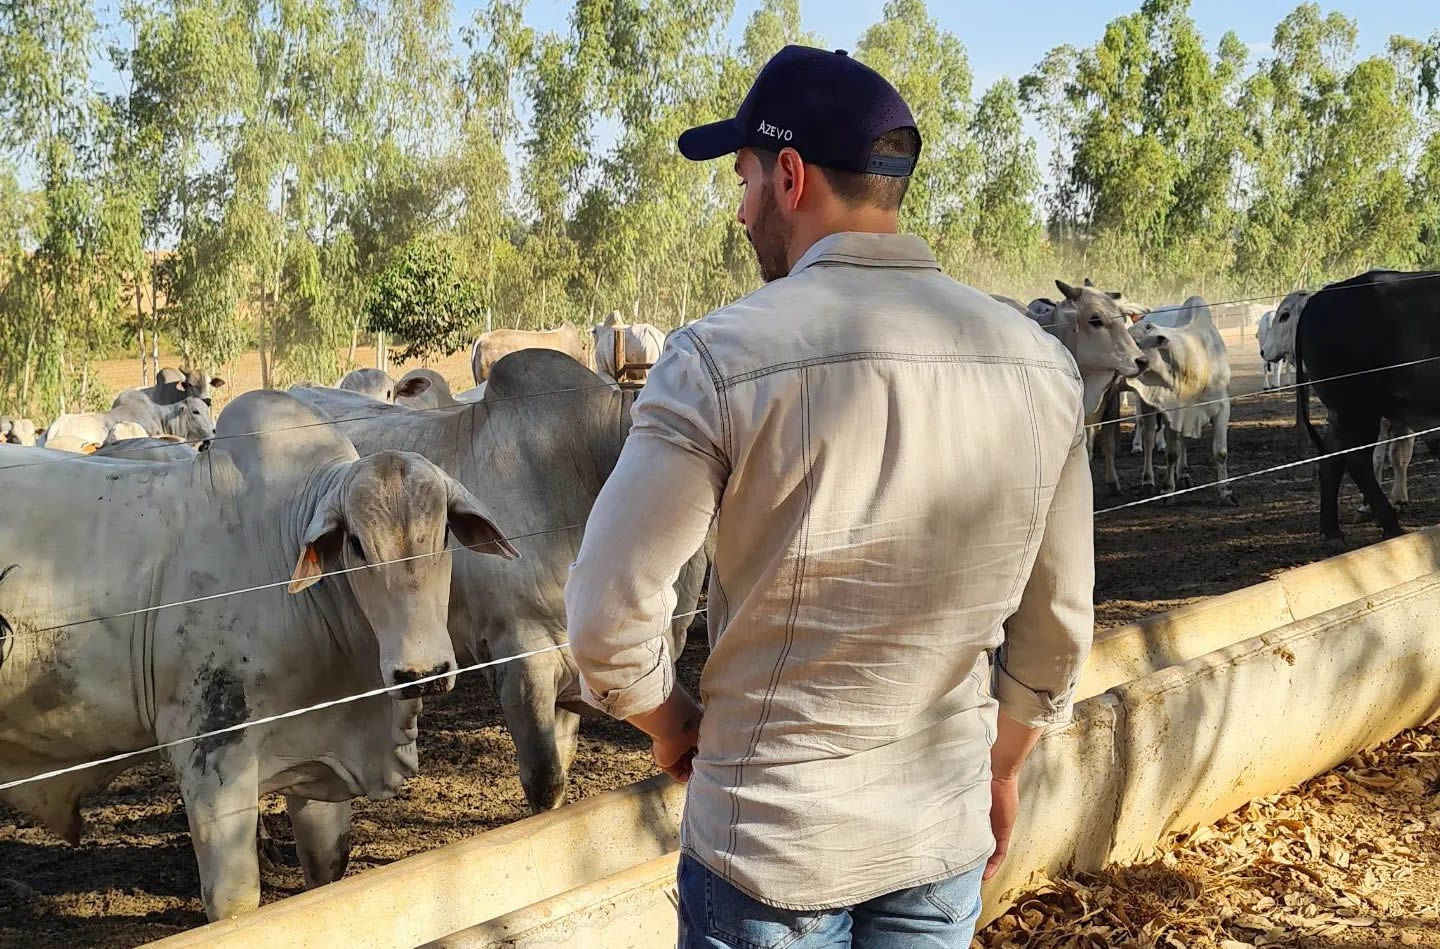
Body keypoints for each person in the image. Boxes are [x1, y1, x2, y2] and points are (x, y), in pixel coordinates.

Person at [565, 44, 1094, 948]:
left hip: (771, 854)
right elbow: (1057, 629)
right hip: (938, 840)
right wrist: (999, 765)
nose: (739, 208)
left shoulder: (716, 362)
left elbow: (606, 621)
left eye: (742, 178)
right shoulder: (1039, 365)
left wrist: (672, 721)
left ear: (792, 176)